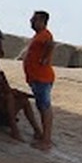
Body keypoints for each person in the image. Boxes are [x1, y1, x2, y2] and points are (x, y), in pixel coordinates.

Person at [0, 57, 41, 142]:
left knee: (23, 100)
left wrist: (4, 82)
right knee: (9, 97)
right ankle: (14, 129)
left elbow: (8, 90)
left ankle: (36, 130)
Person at [24, 10, 56, 150]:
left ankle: (46, 140)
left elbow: (51, 44)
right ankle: (43, 136)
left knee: (45, 107)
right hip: (37, 78)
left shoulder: (45, 35)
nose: (31, 21)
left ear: (42, 21)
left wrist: (45, 58)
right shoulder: (38, 36)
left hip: (42, 78)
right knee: (41, 106)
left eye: (34, 19)